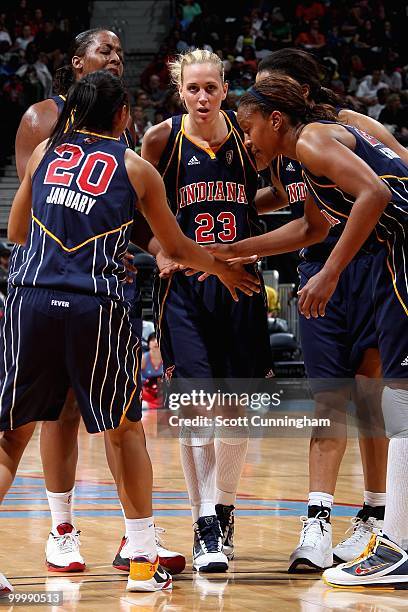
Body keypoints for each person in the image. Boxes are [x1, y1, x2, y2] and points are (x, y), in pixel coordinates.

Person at [0, 70, 260, 594]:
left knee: (10, 435)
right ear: (122, 115)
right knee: (123, 430)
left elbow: (15, 230)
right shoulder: (135, 167)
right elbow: (178, 249)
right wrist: (224, 268)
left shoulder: (46, 148)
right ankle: (142, 560)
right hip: (95, 303)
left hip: (29, 299)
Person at [214, 73, 408, 588]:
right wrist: (230, 246)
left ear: (276, 116)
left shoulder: (316, 137)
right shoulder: (301, 152)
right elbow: (312, 224)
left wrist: (330, 271)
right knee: (391, 395)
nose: (247, 138)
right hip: (392, 251)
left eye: (250, 125)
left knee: (395, 394)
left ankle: (396, 541)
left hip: (395, 249)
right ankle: (393, 537)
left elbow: (375, 193)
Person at [13, 28, 185, 576]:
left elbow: (109, 216)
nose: (114, 56)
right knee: (64, 416)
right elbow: (54, 217)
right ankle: (64, 529)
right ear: (77, 61)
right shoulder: (44, 120)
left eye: (118, 50)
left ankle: (135, 537)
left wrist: (159, 250)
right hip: (74, 287)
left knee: (107, 422)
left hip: (68, 291)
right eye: (103, 50)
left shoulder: (93, 141)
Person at [141, 49, 272, 573]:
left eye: (211, 88)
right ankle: (204, 523)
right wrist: (159, 250)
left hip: (239, 281)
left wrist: (252, 229)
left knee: (235, 407)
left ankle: (225, 509)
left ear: (225, 88)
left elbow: (277, 193)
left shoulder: (247, 137)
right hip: (187, 290)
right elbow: (137, 208)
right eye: (192, 88)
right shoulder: (161, 139)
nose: (202, 98)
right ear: (179, 89)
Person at [141, 333, 164, 409]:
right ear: (148, 344)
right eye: (152, 340)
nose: (155, 342)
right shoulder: (144, 358)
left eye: (157, 339)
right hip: (147, 392)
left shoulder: (167, 358)